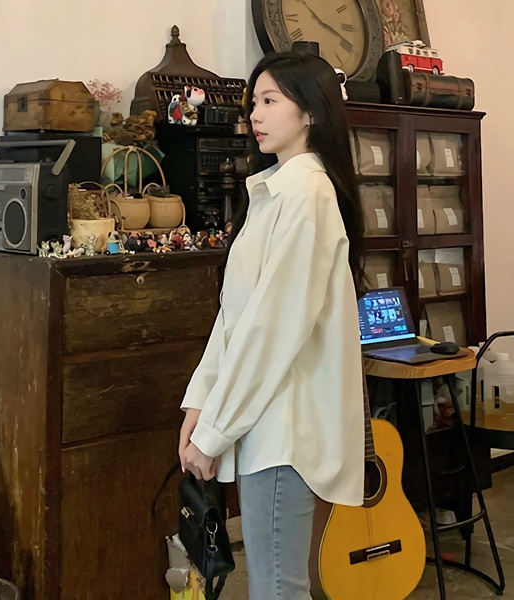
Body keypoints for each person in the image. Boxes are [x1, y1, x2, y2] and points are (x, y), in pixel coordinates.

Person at [178, 51, 366, 600]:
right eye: (253, 103)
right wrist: (200, 405)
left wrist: (214, 430)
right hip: (263, 425)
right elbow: (236, 317)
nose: (255, 115)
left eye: (269, 101)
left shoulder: (307, 195)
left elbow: (274, 330)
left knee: (278, 589)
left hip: (286, 431)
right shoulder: (273, 191)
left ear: (310, 111)